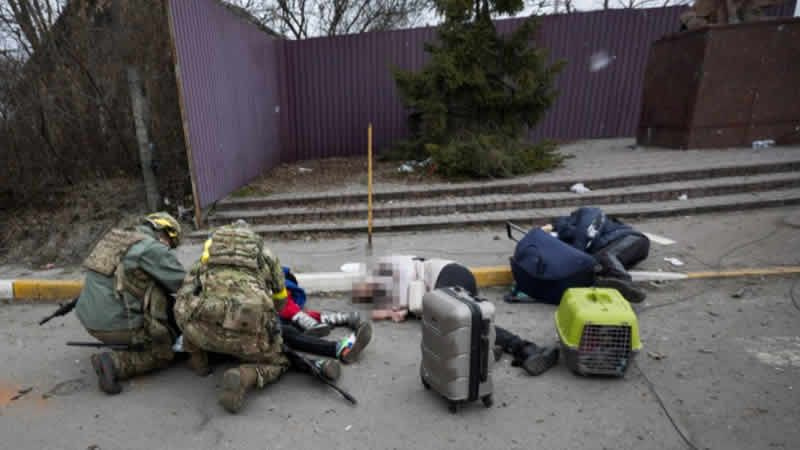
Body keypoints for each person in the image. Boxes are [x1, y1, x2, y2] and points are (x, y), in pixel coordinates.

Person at [175, 222, 340, 413]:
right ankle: (244, 376)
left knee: (188, 310)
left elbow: (184, 297)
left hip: (203, 336)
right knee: (280, 361)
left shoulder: (204, 259)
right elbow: (280, 302)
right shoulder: (265, 255)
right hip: (249, 341)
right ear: (249, 239)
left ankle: (199, 364)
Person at [74, 212, 186, 395]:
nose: (169, 248)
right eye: (171, 243)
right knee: (164, 352)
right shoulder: (151, 248)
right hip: (115, 326)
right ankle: (114, 363)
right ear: (164, 232)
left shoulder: (115, 238)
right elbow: (181, 283)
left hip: (89, 320)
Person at [551, 207, 650, 303]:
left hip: (631, 239)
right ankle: (611, 282)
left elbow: (586, 231)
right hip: (618, 253)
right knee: (596, 265)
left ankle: (625, 282)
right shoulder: (569, 237)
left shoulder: (586, 212)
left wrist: (578, 256)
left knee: (605, 256)